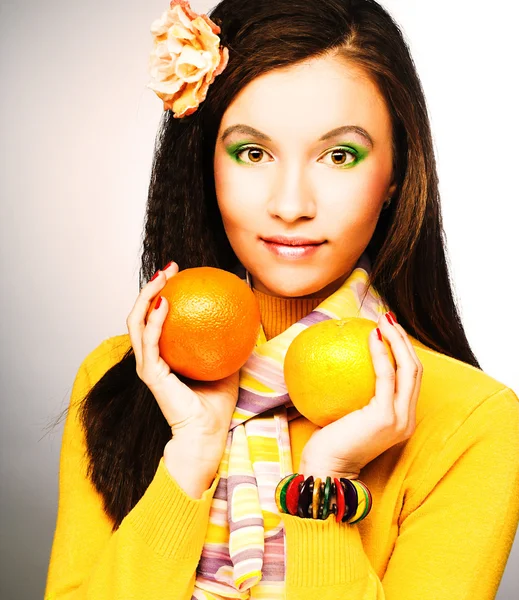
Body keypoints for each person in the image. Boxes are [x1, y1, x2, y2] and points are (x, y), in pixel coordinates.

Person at [44, 0, 519, 598]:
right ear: (204, 163)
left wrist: (326, 485)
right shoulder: (125, 377)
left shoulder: (470, 420)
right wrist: (190, 457)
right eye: (253, 153)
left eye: (340, 155)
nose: (291, 204)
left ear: (397, 170)